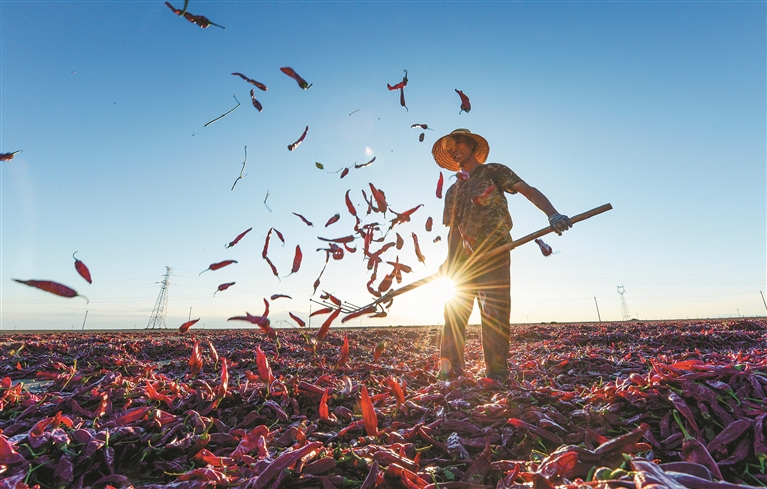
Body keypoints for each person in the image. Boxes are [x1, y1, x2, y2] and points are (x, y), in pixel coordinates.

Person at [432, 128, 572, 382]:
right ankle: (451, 371)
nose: (454, 149)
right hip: (464, 261)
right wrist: (450, 262)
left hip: (495, 249)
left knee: (494, 313)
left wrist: (552, 213)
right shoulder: (453, 191)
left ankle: (496, 373)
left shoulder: (493, 171)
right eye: (451, 148)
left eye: (459, 144)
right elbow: (454, 229)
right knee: (453, 313)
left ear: (473, 146)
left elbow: (528, 190)